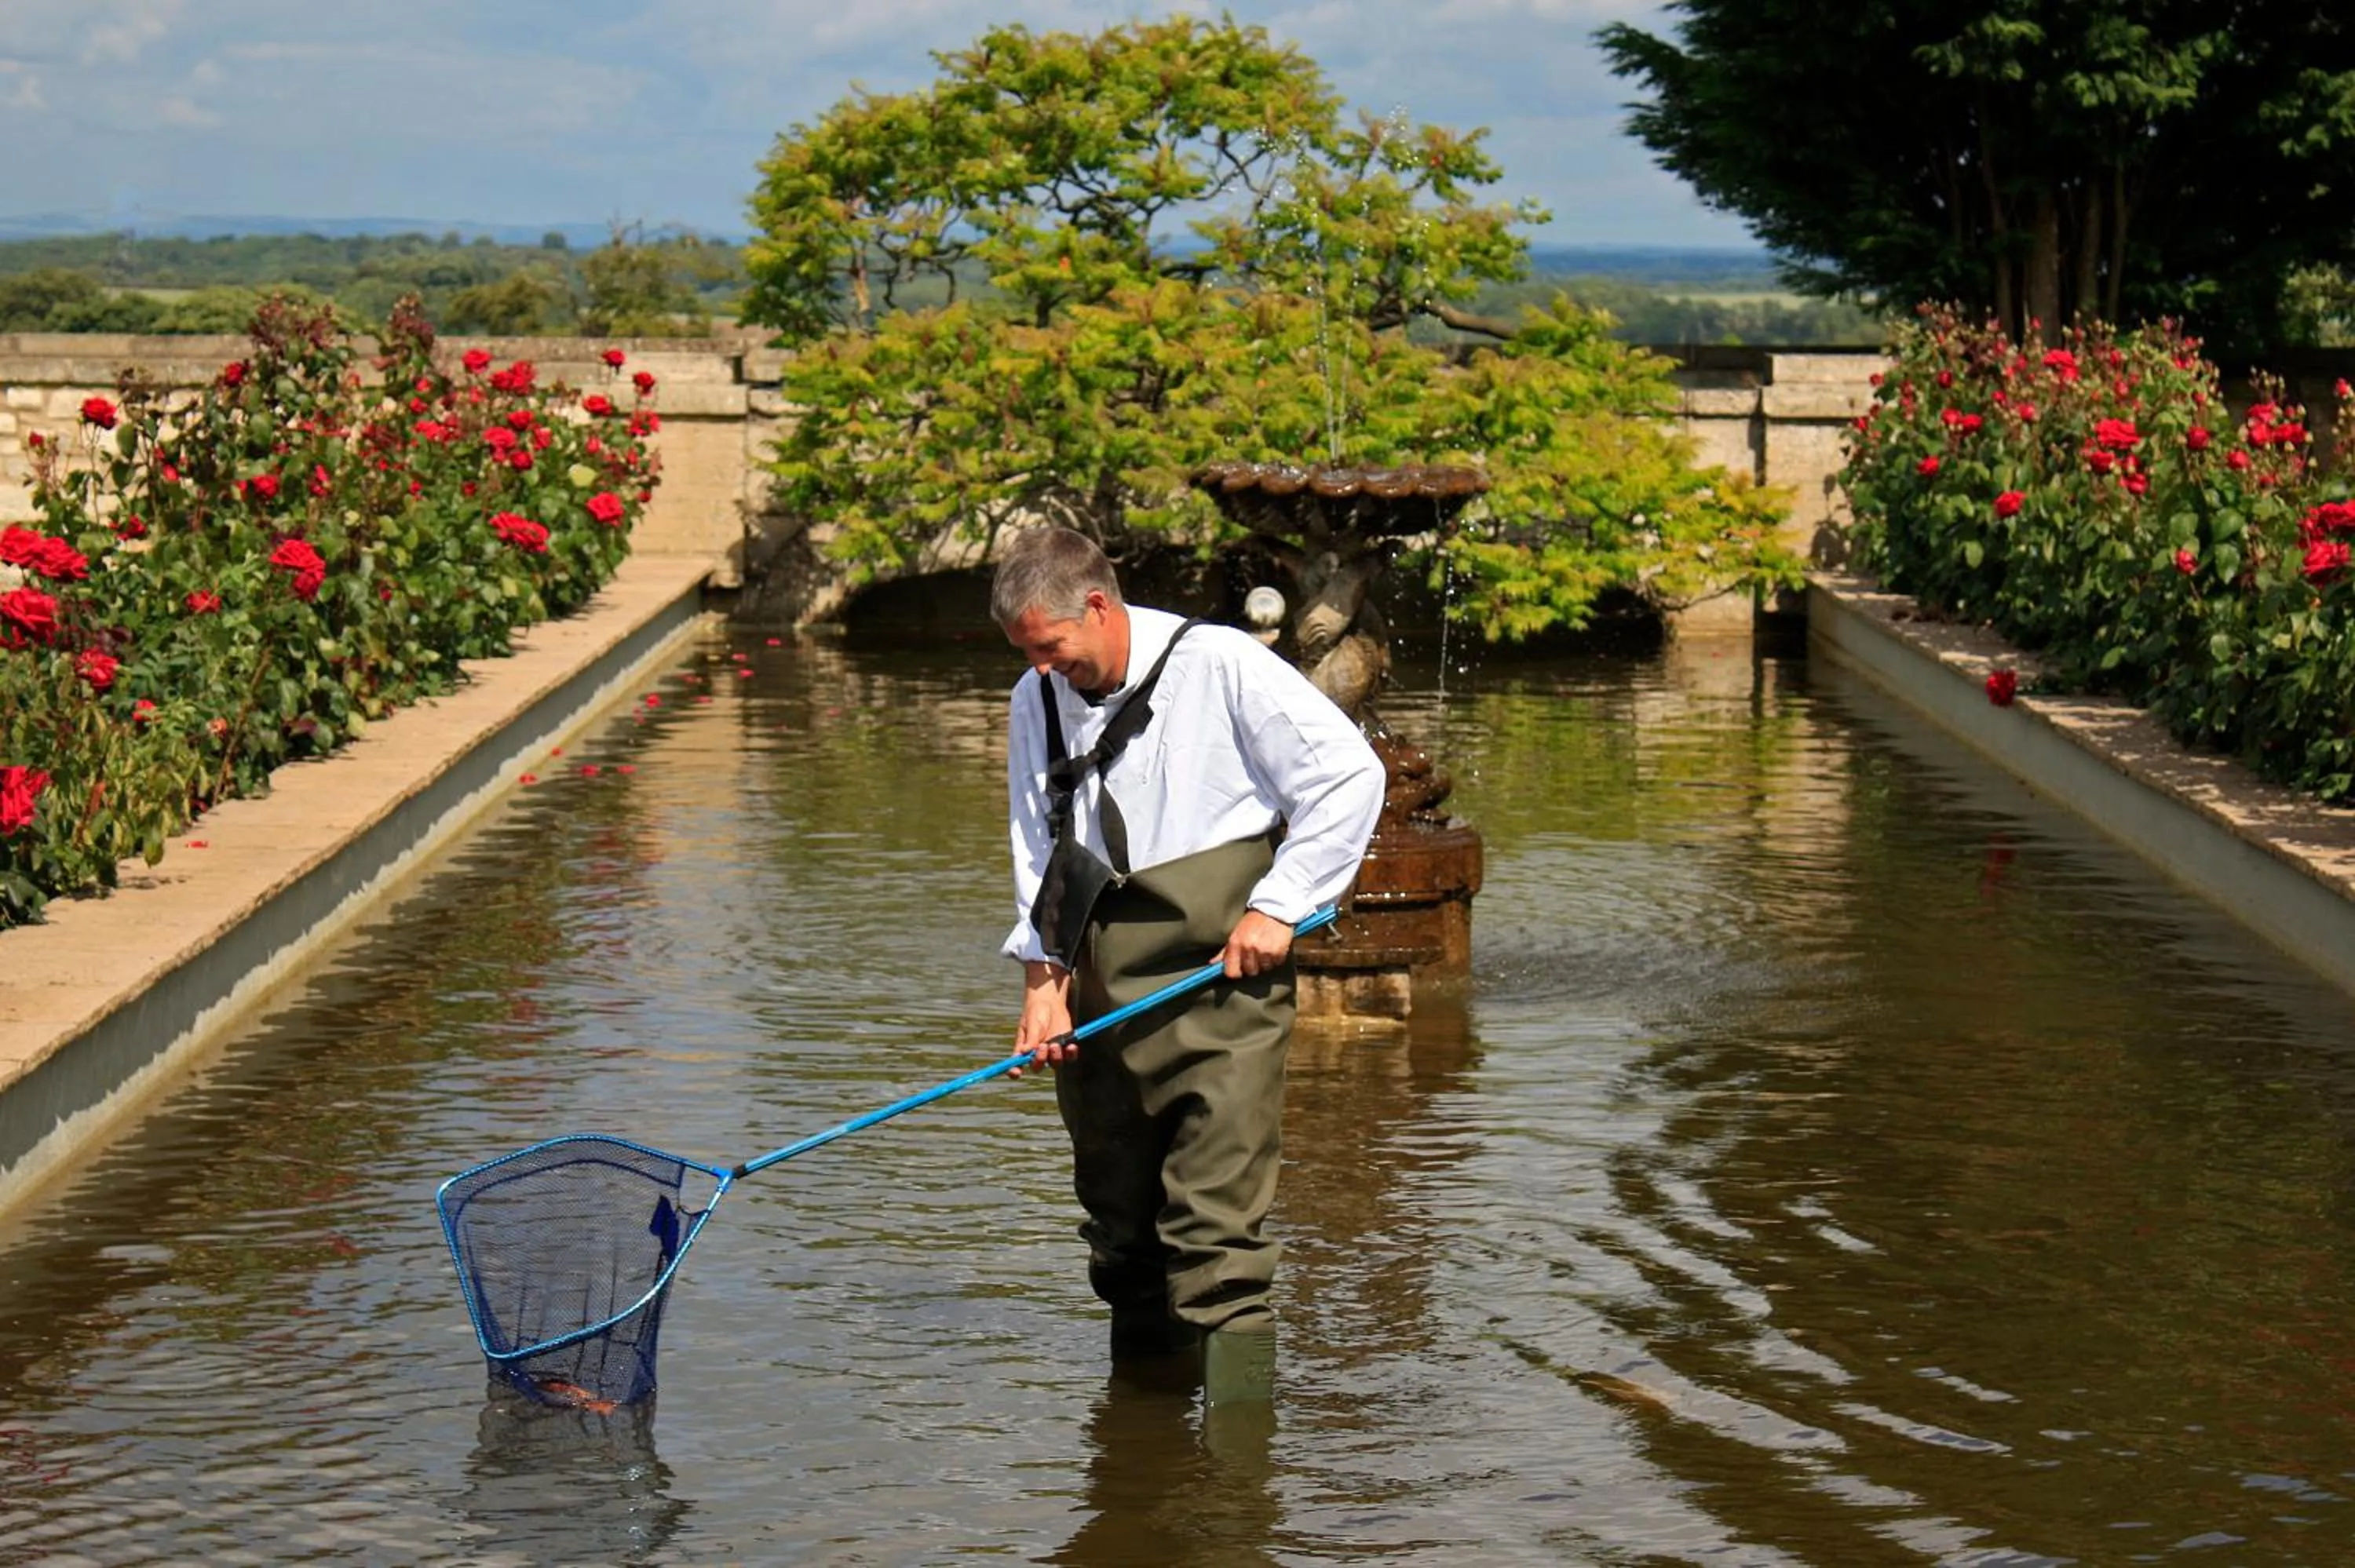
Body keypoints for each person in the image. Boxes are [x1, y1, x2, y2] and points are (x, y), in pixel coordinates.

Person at [992, 527, 1385, 1404]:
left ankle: (1240, 1493)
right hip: (1098, 993)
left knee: (1217, 1244)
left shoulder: (1220, 665)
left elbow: (1348, 778)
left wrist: (1278, 905)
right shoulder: (1036, 696)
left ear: (1099, 606)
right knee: (1121, 1235)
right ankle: (1142, 1449)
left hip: (1219, 990)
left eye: (1051, 649)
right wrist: (1044, 988)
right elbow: (1037, 847)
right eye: (1027, 654)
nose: (1043, 671)